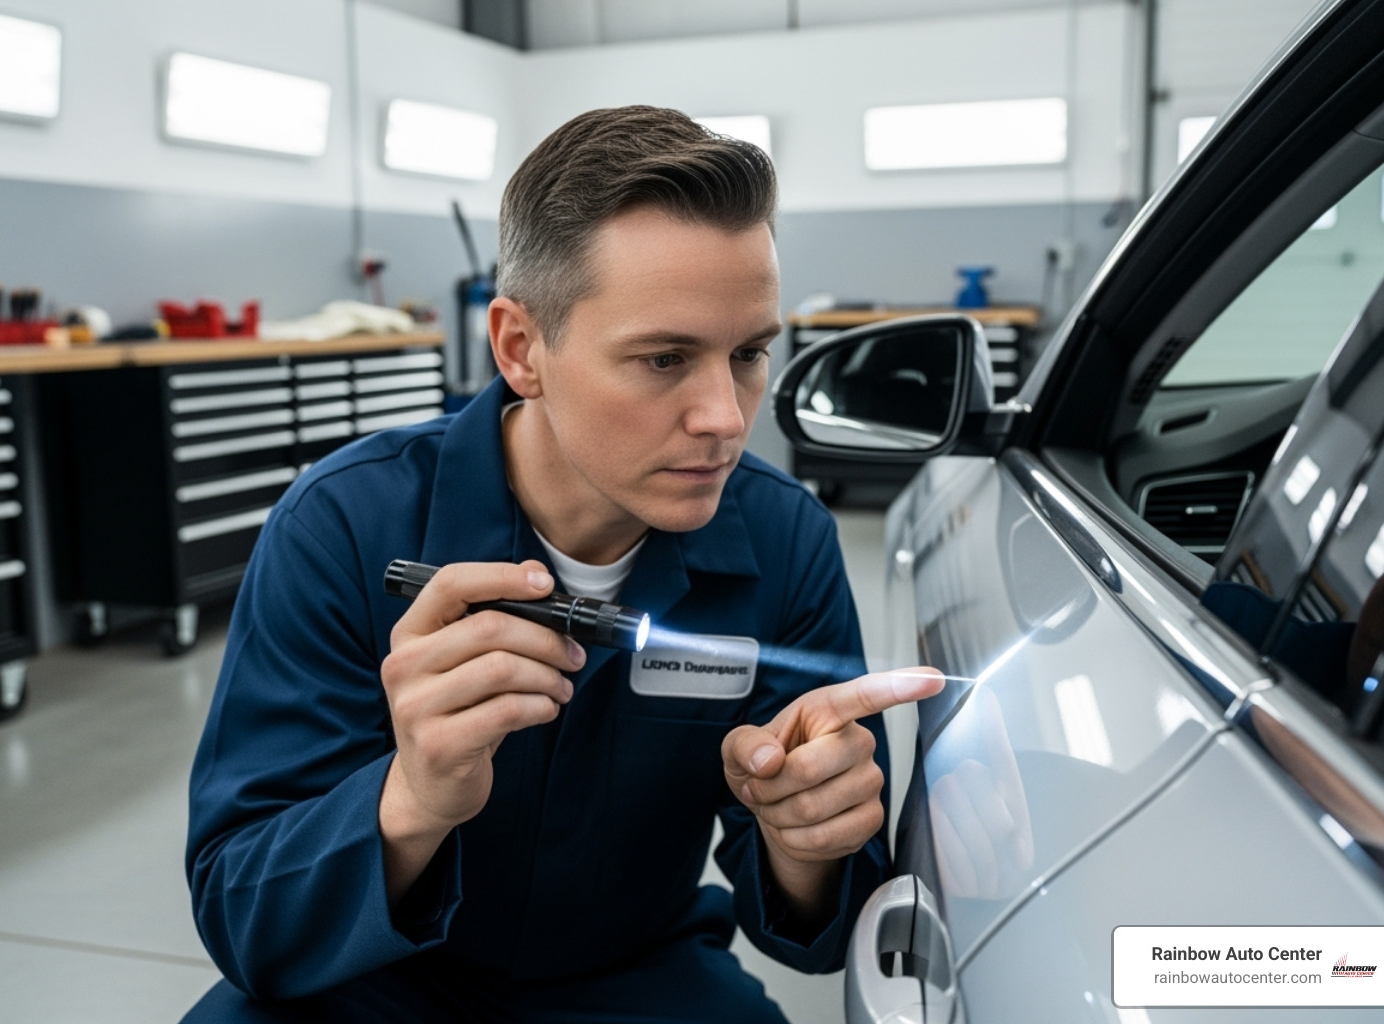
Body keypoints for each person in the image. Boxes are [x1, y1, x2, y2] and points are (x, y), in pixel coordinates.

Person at [182, 105, 944, 1023]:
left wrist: (806, 838)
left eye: (747, 354)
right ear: (520, 349)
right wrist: (411, 798)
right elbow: (244, 913)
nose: (726, 418)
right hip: (371, 984)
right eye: (663, 358)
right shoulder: (344, 525)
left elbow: (826, 930)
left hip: (637, 978)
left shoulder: (785, 543)